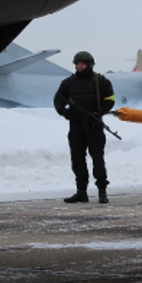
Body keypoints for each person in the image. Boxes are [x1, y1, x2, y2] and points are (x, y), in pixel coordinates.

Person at [54, 51, 115, 204]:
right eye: (77, 64)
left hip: (94, 126)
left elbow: (110, 100)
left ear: (89, 64)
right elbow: (58, 100)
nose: (79, 67)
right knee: (77, 159)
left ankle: (102, 191)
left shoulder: (101, 81)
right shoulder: (68, 83)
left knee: (97, 159)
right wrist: (66, 113)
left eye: (82, 64)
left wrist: (98, 113)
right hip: (76, 126)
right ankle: (81, 192)